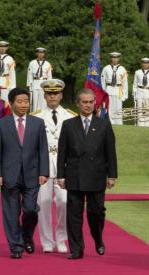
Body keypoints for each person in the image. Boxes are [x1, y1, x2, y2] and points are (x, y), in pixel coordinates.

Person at [57, 88, 118, 260]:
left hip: (96, 175)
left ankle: (98, 238)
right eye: (85, 102)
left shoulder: (104, 124)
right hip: (74, 175)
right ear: (78, 103)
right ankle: (76, 249)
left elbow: (110, 152)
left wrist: (112, 175)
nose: (88, 105)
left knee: (96, 212)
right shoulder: (68, 125)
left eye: (91, 102)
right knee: (74, 214)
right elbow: (62, 152)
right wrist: (61, 175)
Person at [0, 87, 49, 259]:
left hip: (32, 174)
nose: (24, 105)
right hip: (9, 175)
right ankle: (16, 247)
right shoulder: (1, 124)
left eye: (26, 101)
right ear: (11, 103)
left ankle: (26, 236)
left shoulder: (38, 123)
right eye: (20, 101)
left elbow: (43, 150)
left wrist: (44, 171)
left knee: (31, 209)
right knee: (11, 213)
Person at [31, 79, 76, 253]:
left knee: (64, 202)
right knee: (44, 202)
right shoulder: (36, 117)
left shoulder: (70, 116)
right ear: (44, 95)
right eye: (49, 93)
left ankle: (61, 238)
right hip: (43, 166)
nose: (52, 96)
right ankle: (47, 241)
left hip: (64, 166)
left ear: (61, 95)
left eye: (55, 93)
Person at [101, 52, 128, 125]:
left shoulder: (122, 69)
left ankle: (118, 123)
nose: (115, 59)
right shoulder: (106, 68)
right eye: (113, 58)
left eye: (116, 58)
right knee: (109, 108)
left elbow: (125, 83)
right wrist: (103, 93)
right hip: (109, 90)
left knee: (118, 108)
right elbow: (103, 81)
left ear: (118, 59)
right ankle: (110, 123)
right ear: (111, 58)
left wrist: (124, 95)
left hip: (118, 90)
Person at [133, 58, 149, 127]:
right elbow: (135, 84)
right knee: (139, 108)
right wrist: (134, 94)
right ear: (142, 63)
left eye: (147, 63)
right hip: (139, 90)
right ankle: (140, 124)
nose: (145, 64)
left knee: (148, 109)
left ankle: (147, 125)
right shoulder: (137, 72)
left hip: (148, 91)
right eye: (144, 63)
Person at [27, 47, 53, 112]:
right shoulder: (32, 63)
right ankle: (34, 114)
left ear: (44, 54)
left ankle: (43, 114)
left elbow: (49, 76)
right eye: (39, 53)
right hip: (35, 82)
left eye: (42, 53)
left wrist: (49, 86)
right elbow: (29, 74)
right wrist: (29, 85)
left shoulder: (47, 64)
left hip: (44, 83)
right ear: (37, 53)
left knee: (43, 101)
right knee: (34, 101)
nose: (41, 54)